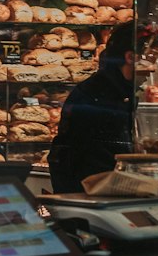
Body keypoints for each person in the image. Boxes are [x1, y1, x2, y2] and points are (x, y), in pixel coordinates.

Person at [47, 21, 136, 193]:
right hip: (94, 195)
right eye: (153, 57)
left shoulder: (122, 90)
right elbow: (85, 158)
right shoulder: (95, 95)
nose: (156, 66)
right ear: (130, 57)